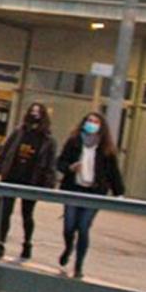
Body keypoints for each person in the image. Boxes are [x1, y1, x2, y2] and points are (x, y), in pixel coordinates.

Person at [54, 111, 124, 279]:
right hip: (74, 189)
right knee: (69, 225)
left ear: (101, 127)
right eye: (89, 121)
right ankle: (68, 246)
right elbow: (60, 162)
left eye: (95, 122)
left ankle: (79, 266)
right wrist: (70, 167)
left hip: (94, 192)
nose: (92, 124)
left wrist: (119, 193)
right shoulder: (74, 142)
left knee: (83, 227)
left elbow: (113, 172)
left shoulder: (106, 148)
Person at [0, 103, 56, 261]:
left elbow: (50, 163)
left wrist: (48, 184)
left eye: (38, 112)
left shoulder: (47, 139)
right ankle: (0, 243)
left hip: (32, 181)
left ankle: (27, 243)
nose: (34, 114)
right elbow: (5, 152)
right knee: (5, 212)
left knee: (27, 214)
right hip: (12, 177)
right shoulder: (18, 132)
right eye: (32, 111)